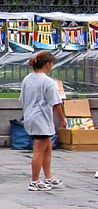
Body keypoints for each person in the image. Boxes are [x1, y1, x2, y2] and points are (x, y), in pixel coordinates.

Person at [20, 51, 66, 191]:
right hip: (41, 118)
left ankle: (48, 177)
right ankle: (34, 180)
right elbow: (56, 103)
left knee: (47, 147)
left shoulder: (28, 79)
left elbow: (22, 98)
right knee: (39, 150)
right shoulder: (48, 82)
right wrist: (62, 119)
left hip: (31, 116)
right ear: (47, 64)